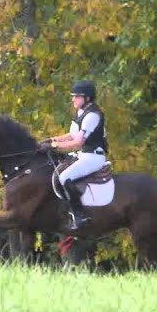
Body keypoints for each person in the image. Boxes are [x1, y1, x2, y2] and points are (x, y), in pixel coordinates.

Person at [39, 80, 108, 231]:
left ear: (87, 98)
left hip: (93, 156)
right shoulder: (81, 113)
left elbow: (77, 142)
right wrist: (52, 139)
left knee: (65, 178)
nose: (73, 99)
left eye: (76, 96)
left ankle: (79, 216)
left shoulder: (93, 116)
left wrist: (54, 146)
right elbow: (71, 135)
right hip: (81, 155)